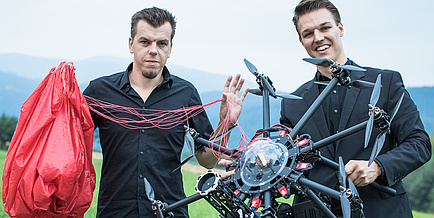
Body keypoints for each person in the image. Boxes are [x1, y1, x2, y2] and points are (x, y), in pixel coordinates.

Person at [83, 7, 248, 217]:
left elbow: (207, 160)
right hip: (115, 212)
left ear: (170, 48)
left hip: (170, 212)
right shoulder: (100, 91)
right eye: (145, 42)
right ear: (131, 44)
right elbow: (69, 144)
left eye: (162, 43)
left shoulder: (186, 94)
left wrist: (226, 123)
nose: (153, 50)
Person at [280, 0, 432, 217]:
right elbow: (284, 160)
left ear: (340, 28)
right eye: (309, 33)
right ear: (301, 40)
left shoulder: (386, 82)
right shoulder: (292, 102)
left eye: (325, 28)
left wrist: (378, 167)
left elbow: (420, 144)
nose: (319, 38)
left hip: (381, 211)